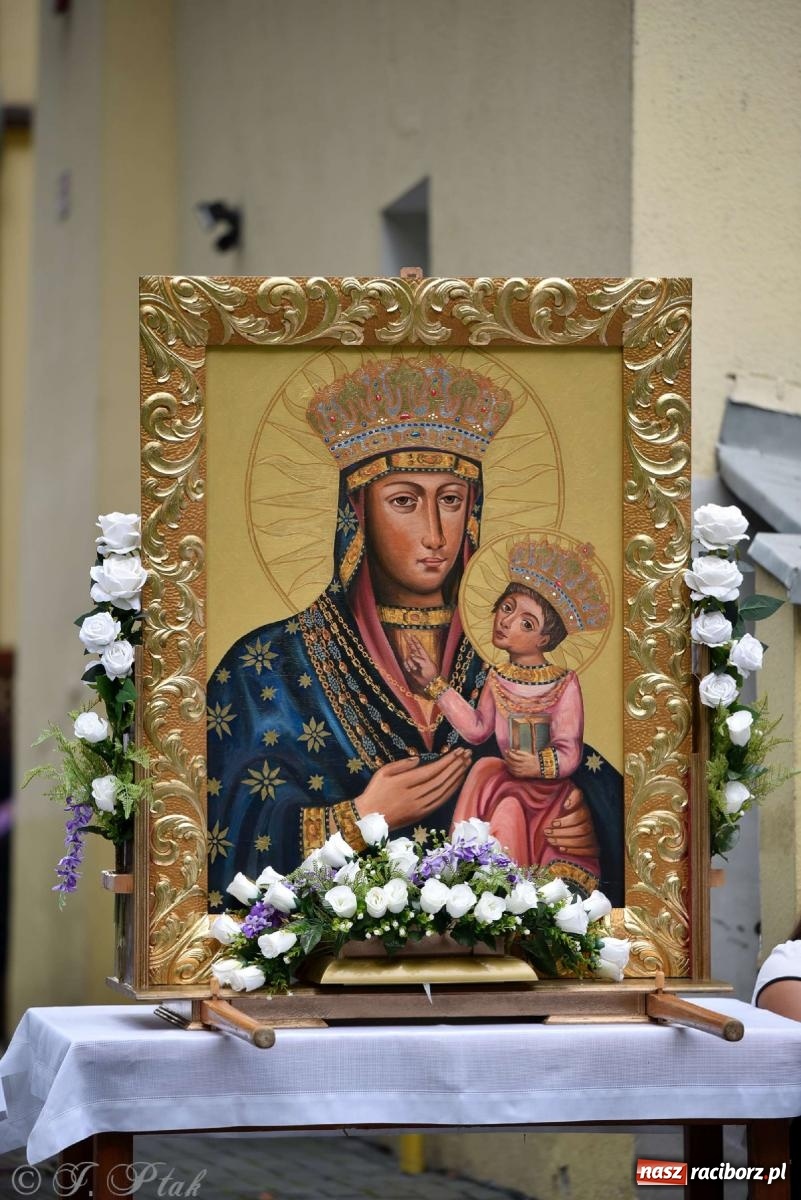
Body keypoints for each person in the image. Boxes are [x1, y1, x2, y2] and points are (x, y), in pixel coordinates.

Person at [206, 357, 623, 906]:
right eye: (404, 501)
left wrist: (582, 818)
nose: (435, 533)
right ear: (358, 512)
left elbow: (577, 770)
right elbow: (219, 828)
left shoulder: (508, 659)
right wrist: (356, 818)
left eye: (450, 500)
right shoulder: (267, 662)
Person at [403, 537, 608, 895]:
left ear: (546, 639)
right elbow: (478, 730)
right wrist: (434, 684)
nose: (507, 621)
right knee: (491, 782)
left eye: (526, 623)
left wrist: (538, 765)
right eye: (507, 607)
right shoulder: (497, 677)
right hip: (502, 781)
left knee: (511, 808)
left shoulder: (564, 683)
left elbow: (569, 749)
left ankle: (510, 901)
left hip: (547, 793)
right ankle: (479, 892)